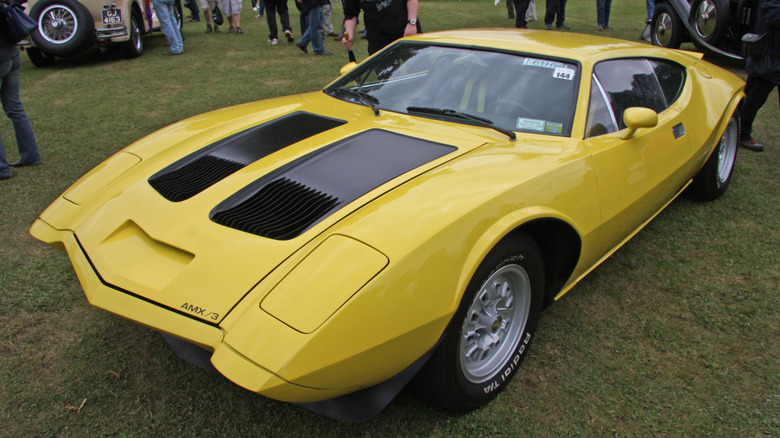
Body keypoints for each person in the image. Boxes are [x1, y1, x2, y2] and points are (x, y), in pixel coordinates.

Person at [740, 0, 780, 152]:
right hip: (767, 59)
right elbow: (774, 15)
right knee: (751, 101)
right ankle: (741, 135)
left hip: (773, 58)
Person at [0, 41, 41, 180]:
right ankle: (31, 156)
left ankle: (2, 168)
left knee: (15, 109)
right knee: (15, 109)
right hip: (12, 55)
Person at [341, 0, 421, 56]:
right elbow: (350, 13)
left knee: (419, 69)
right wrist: (349, 35)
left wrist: (412, 23)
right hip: (377, 37)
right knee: (385, 77)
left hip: (405, 29)